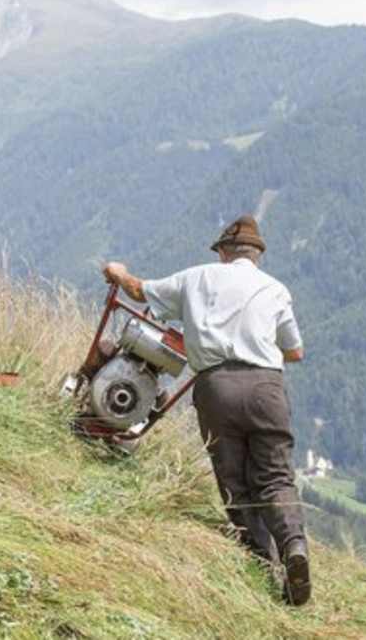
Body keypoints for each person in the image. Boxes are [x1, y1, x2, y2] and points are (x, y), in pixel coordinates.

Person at [100, 215, 312, 606]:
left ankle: (262, 564)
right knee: (276, 476)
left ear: (224, 252)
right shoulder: (276, 290)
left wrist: (118, 271)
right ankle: (294, 547)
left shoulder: (198, 278)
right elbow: (295, 352)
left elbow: (138, 291)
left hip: (217, 388)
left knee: (234, 479)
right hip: (267, 388)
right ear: (256, 255)